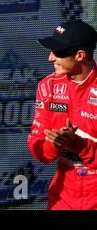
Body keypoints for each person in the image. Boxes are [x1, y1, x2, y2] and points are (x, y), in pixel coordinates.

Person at [27, 18, 97, 209]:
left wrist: (76, 143)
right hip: (63, 195)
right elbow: (39, 149)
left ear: (80, 55)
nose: (50, 58)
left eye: (57, 52)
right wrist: (53, 144)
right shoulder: (47, 86)